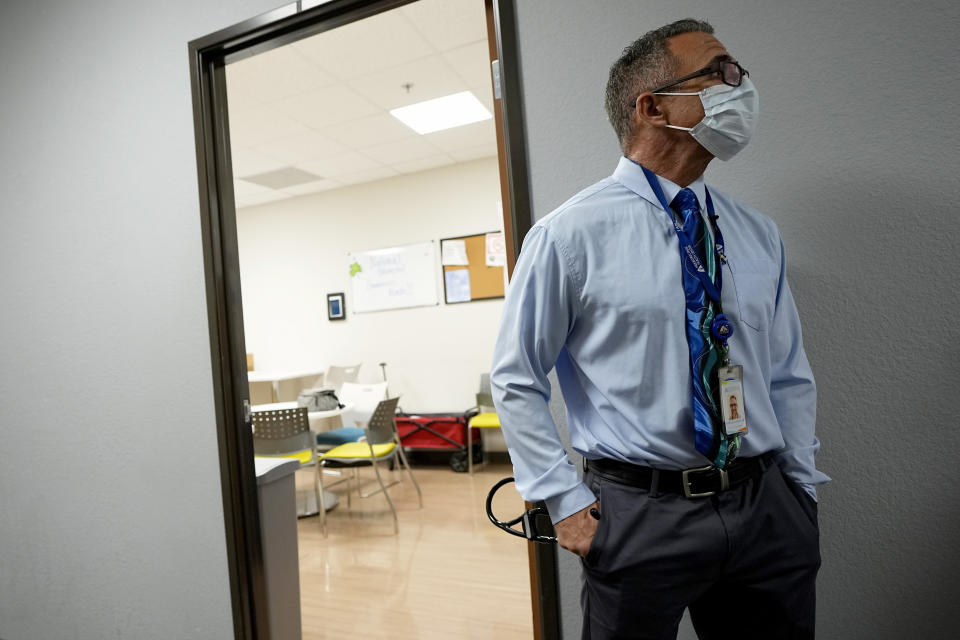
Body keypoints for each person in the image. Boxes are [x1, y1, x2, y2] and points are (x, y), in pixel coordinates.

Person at [490, 18, 829, 640]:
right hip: (640, 515)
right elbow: (515, 376)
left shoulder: (756, 232)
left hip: (764, 507)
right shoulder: (569, 236)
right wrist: (563, 503)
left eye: (740, 74)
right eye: (721, 73)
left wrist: (800, 489)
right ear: (651, 106)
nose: (741, 86)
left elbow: (786, 370)